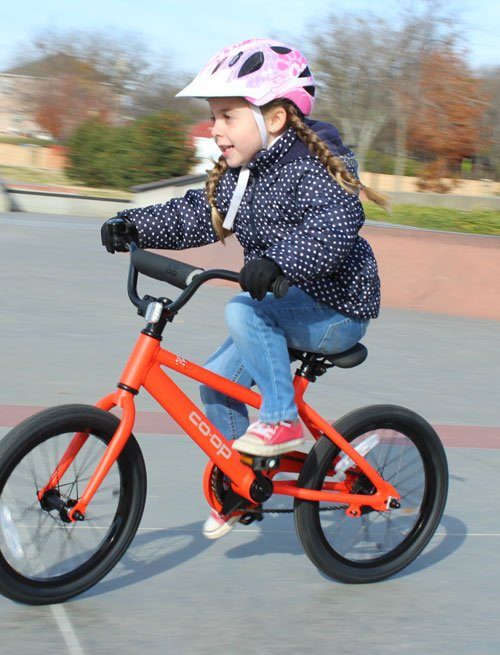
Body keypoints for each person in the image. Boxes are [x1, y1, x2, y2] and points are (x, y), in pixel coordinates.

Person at [100, 38, 389, 538]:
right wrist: (134, 225)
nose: (215, 129)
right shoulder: (243, 175)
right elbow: (196, 215)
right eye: (213, 117)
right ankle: (244, 481)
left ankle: (281, 419)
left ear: (274, 119)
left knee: (242, 309)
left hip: (336, 308)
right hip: (286, 302)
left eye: (227, 116)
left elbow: (335, 223)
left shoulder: (312, 168)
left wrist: (279, 261)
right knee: (216, 382)